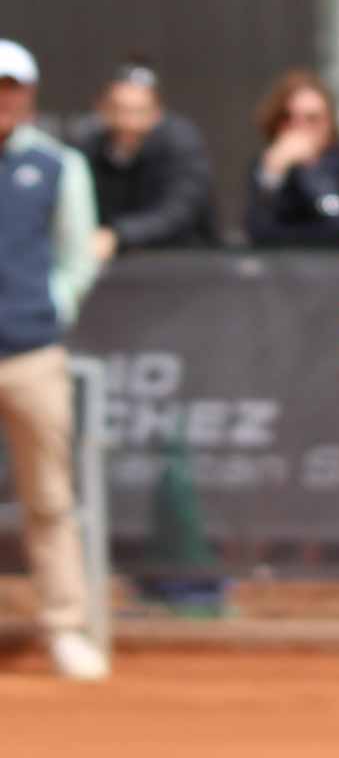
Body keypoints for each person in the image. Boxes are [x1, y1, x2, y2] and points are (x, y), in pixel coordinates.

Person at [0, 39, 108, 680]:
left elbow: (77, 255)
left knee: (50, 499)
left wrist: (52, 308)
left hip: (33, 354)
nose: (1, 98)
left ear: (29, 95)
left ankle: (65, 628)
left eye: (10, 87)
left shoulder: (59, 166)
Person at [74, 60, 217, 261]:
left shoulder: (181, 145)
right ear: (102, 108)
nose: (128, 122)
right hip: (109, 265)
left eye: (139, 111)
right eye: (119, 109)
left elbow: (179, 212)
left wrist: (118, 235)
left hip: (182, 261)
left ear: (157, 112)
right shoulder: (87, 146)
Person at [245, 69, 339, 247]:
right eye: (288, 118)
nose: (299, 128)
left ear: (329, 124)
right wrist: (272, 175)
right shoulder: (267, 165)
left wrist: (311, 171)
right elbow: (257, 232)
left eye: (312, 119)